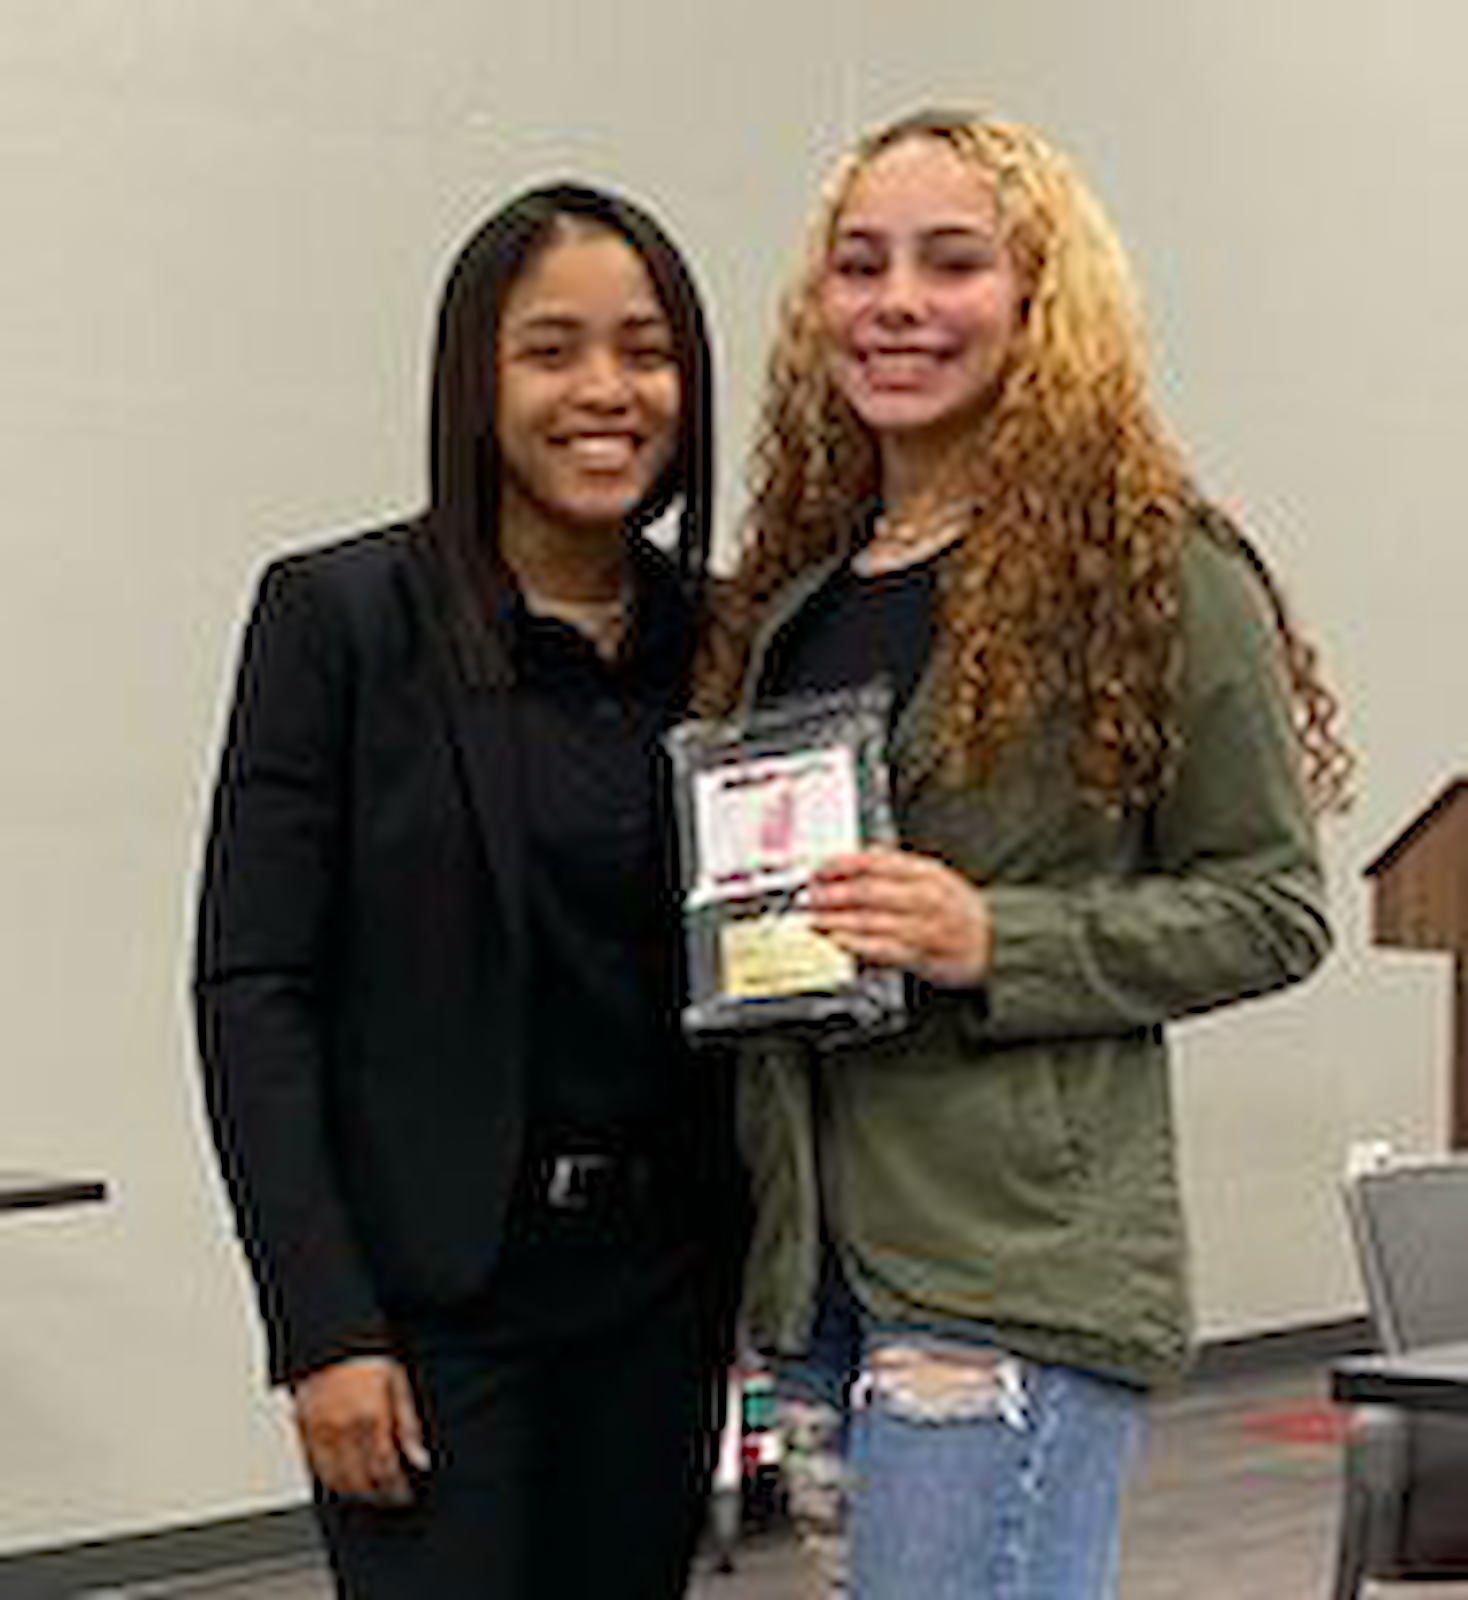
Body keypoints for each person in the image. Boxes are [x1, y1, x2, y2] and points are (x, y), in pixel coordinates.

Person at [695, 109, 1350, 1598]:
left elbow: (1273, 906)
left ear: (1043, 299)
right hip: (819, 1270)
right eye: (861, 265)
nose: (898, 303)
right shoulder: (799, 605)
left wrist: (994, 939)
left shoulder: (1157, 568)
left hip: (1014, 1259)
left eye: (952, 263)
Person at [194, 182, 741, 1599]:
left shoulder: (728, 640)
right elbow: (255, 990)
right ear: (475, 383)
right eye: (552, 350)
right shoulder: (340, 620)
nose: (606, 390)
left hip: (662, 1294)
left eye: (647, 351)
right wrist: (320, 1326)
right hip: (430, 1309)